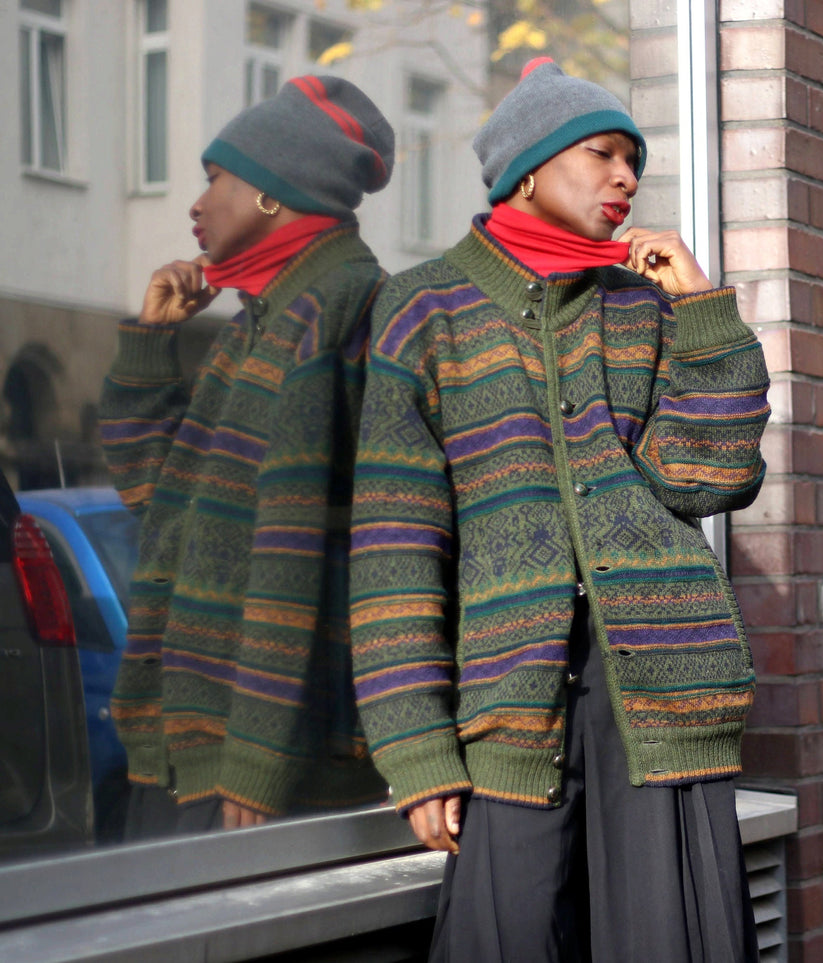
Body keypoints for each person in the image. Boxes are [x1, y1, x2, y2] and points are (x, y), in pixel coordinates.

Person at [349, 57, 771, 961]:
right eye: (601, 154)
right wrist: (417, 748)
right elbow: (393, 550)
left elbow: (706, 479)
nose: (625, 178)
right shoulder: (423, 309)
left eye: (635, 161)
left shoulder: (640, 306)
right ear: (525, 170)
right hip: (510, 704)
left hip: (660, 702)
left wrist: (700, 311)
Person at [99, 76, 395, 836]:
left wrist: (259, 757)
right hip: (203, 743)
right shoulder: (262, 316)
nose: (196, 205)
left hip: (257, 768)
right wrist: (150, 341)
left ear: (272, 192)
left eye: (214, 179)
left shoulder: (335, 309)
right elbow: (155, 498)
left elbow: (304, 555)